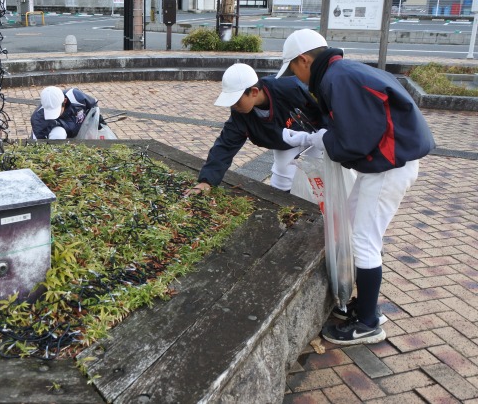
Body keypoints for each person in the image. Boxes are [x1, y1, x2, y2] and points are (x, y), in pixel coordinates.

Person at [277, 28, 436, 345]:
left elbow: (355, 140)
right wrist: (324, 134)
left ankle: (368, 324)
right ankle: (364, 308)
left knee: (364, 237)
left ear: (304, 60)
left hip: (390, 166)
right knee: (352, 228)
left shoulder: (340, 78)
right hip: (385, 163)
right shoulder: (340, 73)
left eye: (293, 68)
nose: (295, 76)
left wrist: (321, 139)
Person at [184, 63, 325, 197]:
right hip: (286, 144)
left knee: (320, 182)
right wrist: (206, 181)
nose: (234, 106)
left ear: (254, 91)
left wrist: (330, 136)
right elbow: (225, 145)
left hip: (318, 137)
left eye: (237, 101)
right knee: (280, 187)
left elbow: (325, 104)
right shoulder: (240, 115)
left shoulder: (291, 87)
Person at [30, 86, 100, 139]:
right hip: (61, 135)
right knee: (58, 134)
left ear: (65, 101)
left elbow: (93, 106)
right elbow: (39, 142)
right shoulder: (38, 118)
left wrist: (98, 124)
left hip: (79, 131)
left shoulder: (76, 96)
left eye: (56, 110)